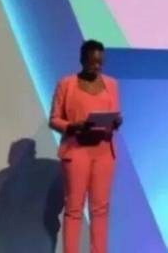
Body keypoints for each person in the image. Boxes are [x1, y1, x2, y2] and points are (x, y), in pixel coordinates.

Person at [49, 40, 122, 253]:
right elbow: (54, 119)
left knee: (100, 209)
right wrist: (73, 126)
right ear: (82, 60)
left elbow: (115, 113)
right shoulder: (66, 84)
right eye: (92, 62)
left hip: (104, 152)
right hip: (77, 151)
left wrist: (116, 122)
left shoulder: (111, 84)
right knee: (74, 209)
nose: (97, 66)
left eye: (100, 62)